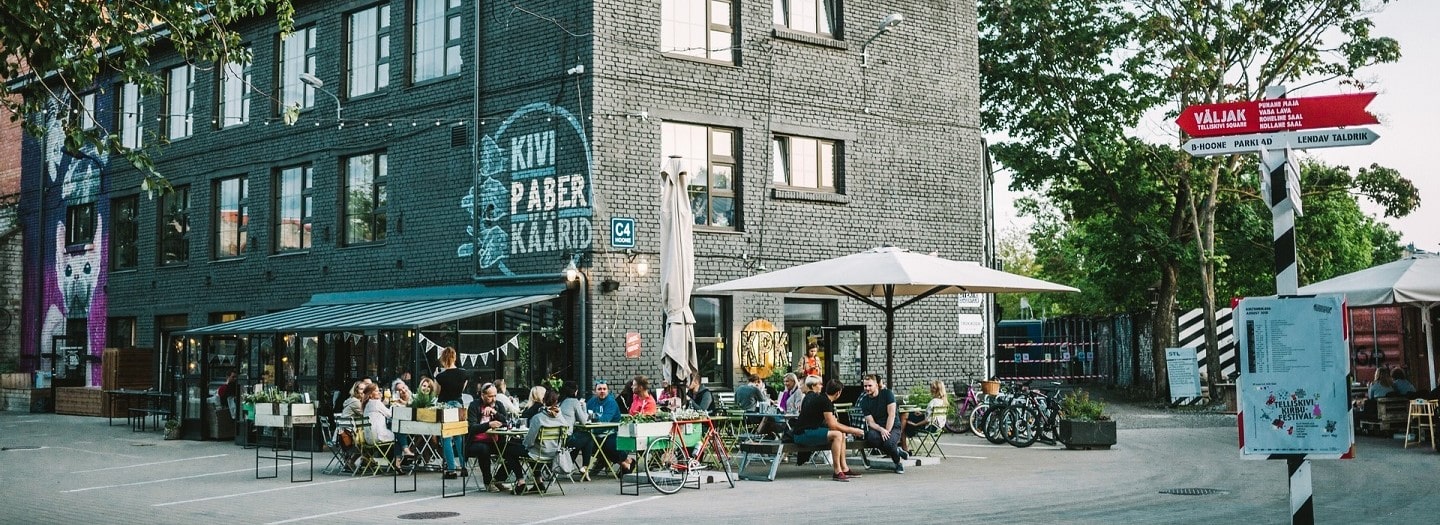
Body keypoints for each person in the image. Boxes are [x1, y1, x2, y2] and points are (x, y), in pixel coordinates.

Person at [793, 378, 865, 482]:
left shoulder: (822, 399)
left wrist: (846, 429)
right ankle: (837, 471)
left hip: (807, 431)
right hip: (802, 434)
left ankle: (844, 469)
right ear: (838, 393)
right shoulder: (826, 402)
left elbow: (830, 423)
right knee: (837, 435)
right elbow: (833, 425)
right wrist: (854, 430)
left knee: (841, 433)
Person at [512, 390, 569, 494]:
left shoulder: (538, 418)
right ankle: (539, 481)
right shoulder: (562, 419)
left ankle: (521, 481)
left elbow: (529, 442)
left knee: (511, 450)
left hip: (539, 453)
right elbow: (567, 434)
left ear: (543, 401)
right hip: (555, 453)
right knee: (533, 449)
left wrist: (524, 443)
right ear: (557, 401)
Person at [466, 382, 515, 492]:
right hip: (476, 442)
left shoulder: (498, 405)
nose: (493, 399)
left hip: (495, 441)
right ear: (482, 395)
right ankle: (488, 482)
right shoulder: (474, 406)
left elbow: (507, 422)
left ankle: (498, 479)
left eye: (495, 396)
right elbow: (472, 428)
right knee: (484, 449)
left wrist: (495, 413)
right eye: (490, 396)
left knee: (513, 450)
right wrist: (488, 425)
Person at [859, 373, 907, 473]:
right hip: (878, 428)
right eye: (865, 386)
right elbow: (871, 422)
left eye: (870, 386)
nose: (867, 388)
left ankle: (898, 463)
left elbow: (891, 415)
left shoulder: (887, 394)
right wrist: (881, 430)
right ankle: (897, 450)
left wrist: (886, 431)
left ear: (876, 385)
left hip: (893, 426)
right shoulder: (864, 401)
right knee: (871, 438)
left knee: (888, 443)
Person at [434, 347, 469, 478]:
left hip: (445, 406)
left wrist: (435, 377)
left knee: (447, 437)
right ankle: (464, 466)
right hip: (459, 405)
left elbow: (436, 392)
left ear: (442, 359)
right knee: (459, 437)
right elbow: (461, 390)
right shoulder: (464, 374)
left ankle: (451, 469)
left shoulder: (440, 376)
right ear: (455, 357)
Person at [361, 383, 413, 470]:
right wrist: (395, 405)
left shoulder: (367, 404)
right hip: (377, 436)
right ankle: (402, 455)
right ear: (370, 394)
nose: (379, 392)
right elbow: (390, 414)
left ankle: (397, 461)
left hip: (369, 437)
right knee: (398, 432)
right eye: (376, 391)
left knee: (395, 432)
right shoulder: (376, 403)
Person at [901, 380, 948, 453]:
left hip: (929, 427)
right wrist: (923, 414)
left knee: (904, 416)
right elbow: (933, 417)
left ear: (938, 390)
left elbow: (928, 420)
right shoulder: (943, 402)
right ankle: (903, 444)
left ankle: (902, 443)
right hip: (937, 427)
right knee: (906, 417)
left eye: (933, 388)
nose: (931, 389)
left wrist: (915, 424)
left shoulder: (934, 402)